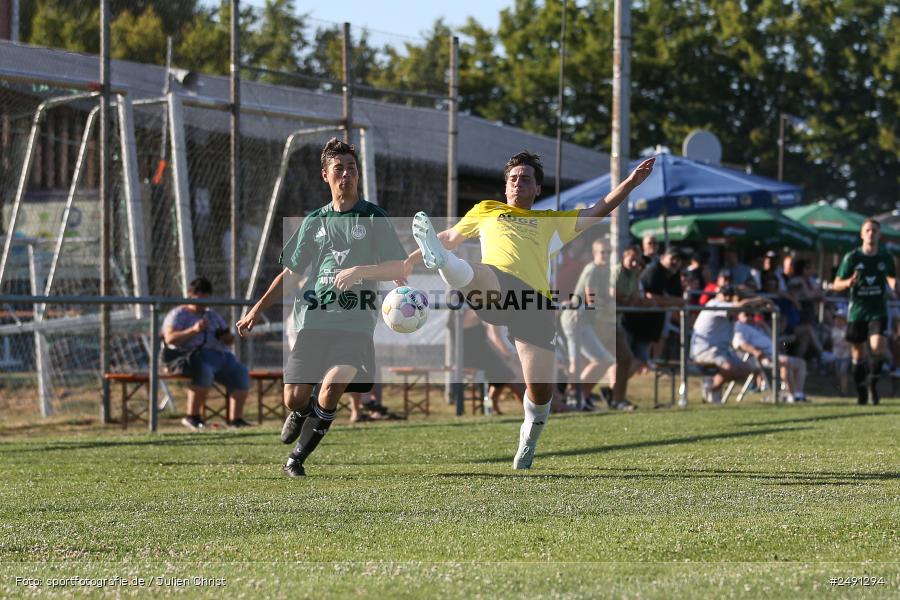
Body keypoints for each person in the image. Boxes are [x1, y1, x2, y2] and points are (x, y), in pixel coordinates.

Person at [405, 151, 656, 469]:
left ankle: (529, 437)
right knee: (476, 270)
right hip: (496, 285)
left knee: (540, 391)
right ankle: (442, 261)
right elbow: (448, 237)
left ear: (537, 188)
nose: (517, 183)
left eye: (525, 179)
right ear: (505, 186)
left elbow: (598, 209)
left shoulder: (551, 221)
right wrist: (410, 259)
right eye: (512, 178)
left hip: (534, 304)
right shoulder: (486, 209)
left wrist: (630, 183)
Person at [236, 138, 408, 477]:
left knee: (330, 389)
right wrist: (256, 309)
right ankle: (301, 413)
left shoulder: (373, 217)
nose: (346, 174)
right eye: (339, 168)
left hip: (355, 324)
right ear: (325, 175)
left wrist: (361, 271)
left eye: (352, 168)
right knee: (294, 398)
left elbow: (398, 267)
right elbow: (290, 274)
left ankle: (296, 459)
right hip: (313, 321)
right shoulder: (314, 221)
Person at [161, 277, 251, 430]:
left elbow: (229, 340)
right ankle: (192, 417)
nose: (202, 304)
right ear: (190, 296)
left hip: (219, 356)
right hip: (186, 357)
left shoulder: (212, 315)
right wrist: (194, 330)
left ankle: (236, 420)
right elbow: (170, 338)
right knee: (204, 370)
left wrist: (226, 337)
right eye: (199, 299)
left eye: (206, 299)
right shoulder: (178, 314)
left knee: (241, 372)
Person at [832, 218, 897, 405]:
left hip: (878, 310)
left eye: (874, 231)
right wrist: (847, 282)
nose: (871, 234)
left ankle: (872, 387)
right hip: (858, 312)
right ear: (861, 234)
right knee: (858, 354)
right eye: (867, 230)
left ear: (879, 235)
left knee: (878, 348)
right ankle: (861, 391)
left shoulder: (885, 256)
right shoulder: (852, 257)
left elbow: (892, 277)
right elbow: (836, 284)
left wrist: (894, 285)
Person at [689, 285, 773, 404]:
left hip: (722, 350)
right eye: (725, 295)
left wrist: (761, 304)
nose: (727, 297)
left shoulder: (728, 306)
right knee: (728, 368)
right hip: (704, 349)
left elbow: (744, 306)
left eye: (730, 295)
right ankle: (711, 388)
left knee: (748, 369)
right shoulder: (715, 304)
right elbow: (739, 306)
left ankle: (712, 386)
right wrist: (760, 299)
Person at [559, 238, 615, 409]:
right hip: (575, 318)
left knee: (583, 362)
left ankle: (576, 397)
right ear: (594, 253)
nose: (606, 255)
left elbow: (606, 297)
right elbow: (592, 299)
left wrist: (609, 303)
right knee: (599, 360)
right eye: (603, 252)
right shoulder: (592, 269)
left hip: (582, 319)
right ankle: (574, 396)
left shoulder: (605, 270)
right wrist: (607, 306)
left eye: (609, 252)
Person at [732, 309, 808, 402]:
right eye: (746, 315)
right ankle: (790, 395)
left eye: (752, 315)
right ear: (738, 316)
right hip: (759, 357)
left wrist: (764, 325)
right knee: (785, 362)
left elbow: (773, 338)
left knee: (801, 363)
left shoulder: (756, 326)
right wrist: (756, 352)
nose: (750, 317)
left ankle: (798, 394)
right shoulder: (740, 326)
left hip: (772, 354)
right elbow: (740, 344)